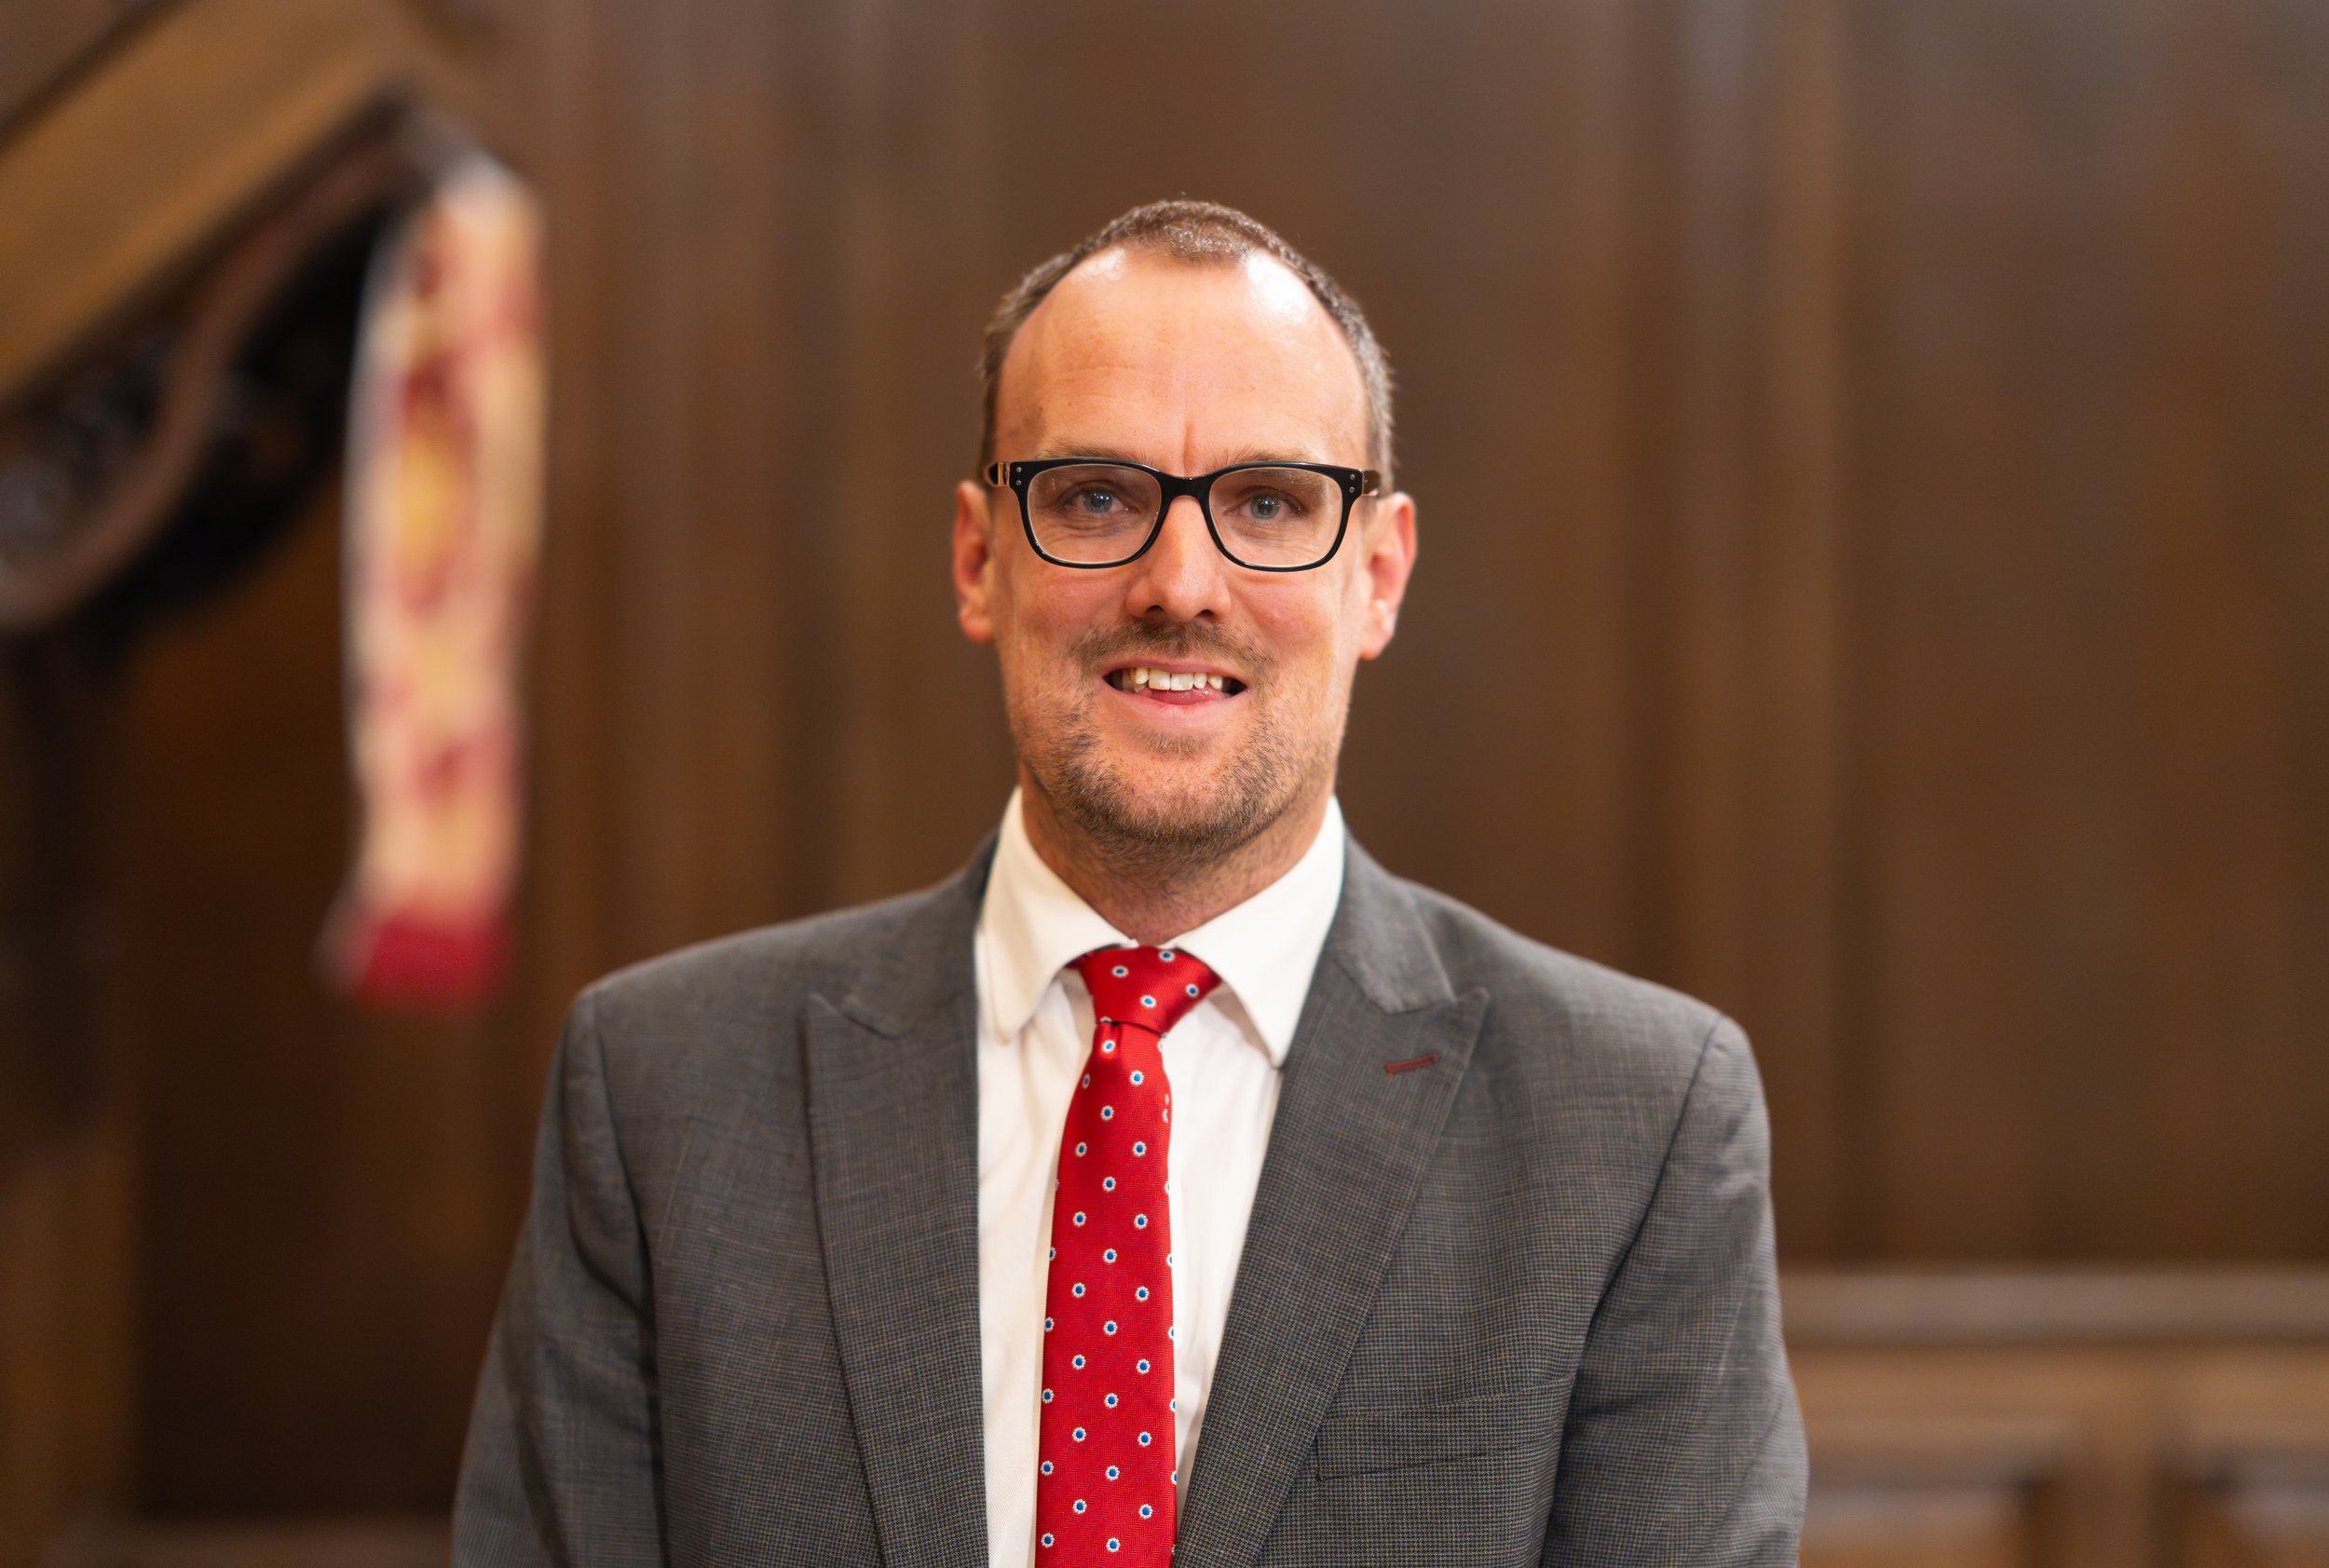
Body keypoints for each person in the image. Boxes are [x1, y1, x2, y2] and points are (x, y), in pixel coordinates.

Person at [452, 198, 1805, 1568]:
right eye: (1096, 497)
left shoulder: (1634, 1127)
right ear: (982, 558)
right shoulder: (662, 1097)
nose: (1180, 582)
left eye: (1269, 504)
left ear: (1378, 576)